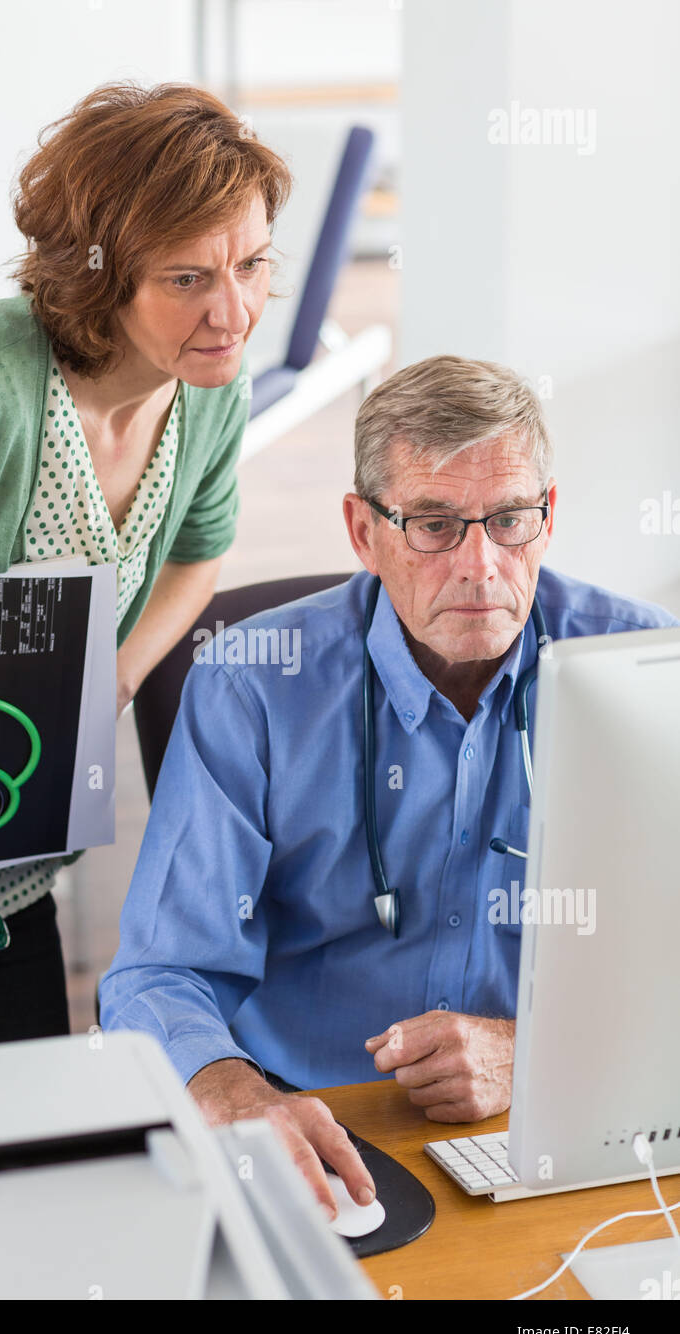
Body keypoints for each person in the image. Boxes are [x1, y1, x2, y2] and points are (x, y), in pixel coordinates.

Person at [98, 354, 679, 1222]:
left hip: (559, 1116)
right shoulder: (249, 685)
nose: (482, 565)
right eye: (435, 525)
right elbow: (160, 971)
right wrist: (237, 1097)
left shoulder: (644, 666)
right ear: (363, 531)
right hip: (314, 1126)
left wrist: (537, 1054)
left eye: (511, 519)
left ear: (548, 517)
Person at [0, 82, 291, 1065]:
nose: (232, 310)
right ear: (96, 276)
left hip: (0, 857)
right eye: (186, 278)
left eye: (249, 264)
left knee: (25, 1142)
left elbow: (199, 555)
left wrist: (113, 670)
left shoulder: (208, 386)